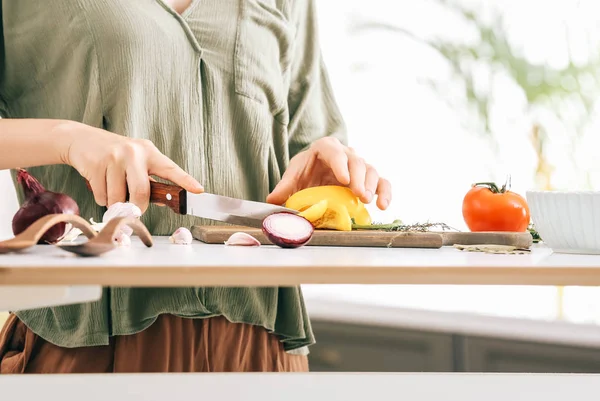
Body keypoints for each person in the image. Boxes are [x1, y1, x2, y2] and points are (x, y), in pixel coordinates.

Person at [0, 0, 392, 373]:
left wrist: (328, 171)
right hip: (89, 346)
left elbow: (309, 145)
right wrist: (67, 138)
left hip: (262, 343)